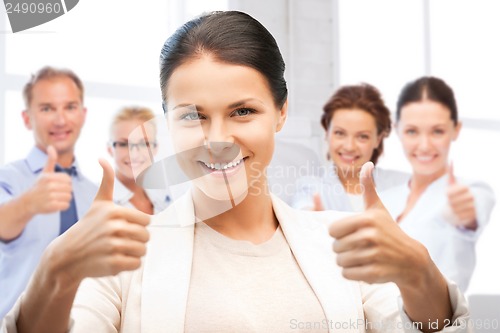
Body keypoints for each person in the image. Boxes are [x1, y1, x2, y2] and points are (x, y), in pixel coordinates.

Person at [3, 12, 469, 333]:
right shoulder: (125, 257)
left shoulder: (338, 245)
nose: (218, 138)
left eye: (243, 111)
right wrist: (54, 273)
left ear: (281, 113)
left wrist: (418, 273)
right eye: (193, 115)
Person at [379, 76, 496, 292]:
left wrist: (466, 218)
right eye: (412, 131)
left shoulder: (472, 191)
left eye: (437, 131)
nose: (424, 145)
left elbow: (471, 216)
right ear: (397, 130)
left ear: (456, 129)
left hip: (439, 323)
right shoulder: (386, 199)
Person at [0, 67, 98, 319]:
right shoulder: (9, 179)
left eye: (70, 107)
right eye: (46, 108)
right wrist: (29, 204)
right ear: (26, 118)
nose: (60, 120)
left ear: (83, 114)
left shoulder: (93, 193)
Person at [292, 84, 409, 212]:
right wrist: (310, 220)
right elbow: (302, 210)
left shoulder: (403, 184)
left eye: (362, 136)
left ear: (378, 140)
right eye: (340, 133)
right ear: (327, 133)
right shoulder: (311, 188)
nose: (349, 146)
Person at [107, 106, 171, 214]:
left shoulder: (165, 196)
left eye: (144, 144)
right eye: (123, 144)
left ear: (155, 148)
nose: (134, 154)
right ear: (109, 149)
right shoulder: (94, 199)